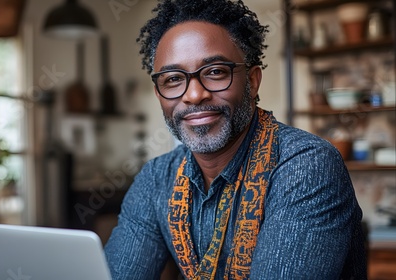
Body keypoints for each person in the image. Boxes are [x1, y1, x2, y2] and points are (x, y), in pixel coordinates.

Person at [104, 0, 367, 279]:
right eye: (173, 79)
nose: (194, 95)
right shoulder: (156, 179)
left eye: (215, 72)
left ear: (252, 82)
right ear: (159, 94)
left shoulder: (306, 167)